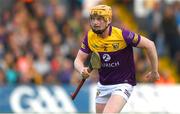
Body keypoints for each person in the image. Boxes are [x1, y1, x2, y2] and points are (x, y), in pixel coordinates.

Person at [74, 5, 160, 113]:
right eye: (93, 19)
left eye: (99, 19)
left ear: (108, 20)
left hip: (123, 83)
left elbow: (150, 45)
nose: (95, 22)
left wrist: (154, 70)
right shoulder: (89, 37)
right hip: (103, 85)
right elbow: (78, 60)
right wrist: (82, 70)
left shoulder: (122, 35)